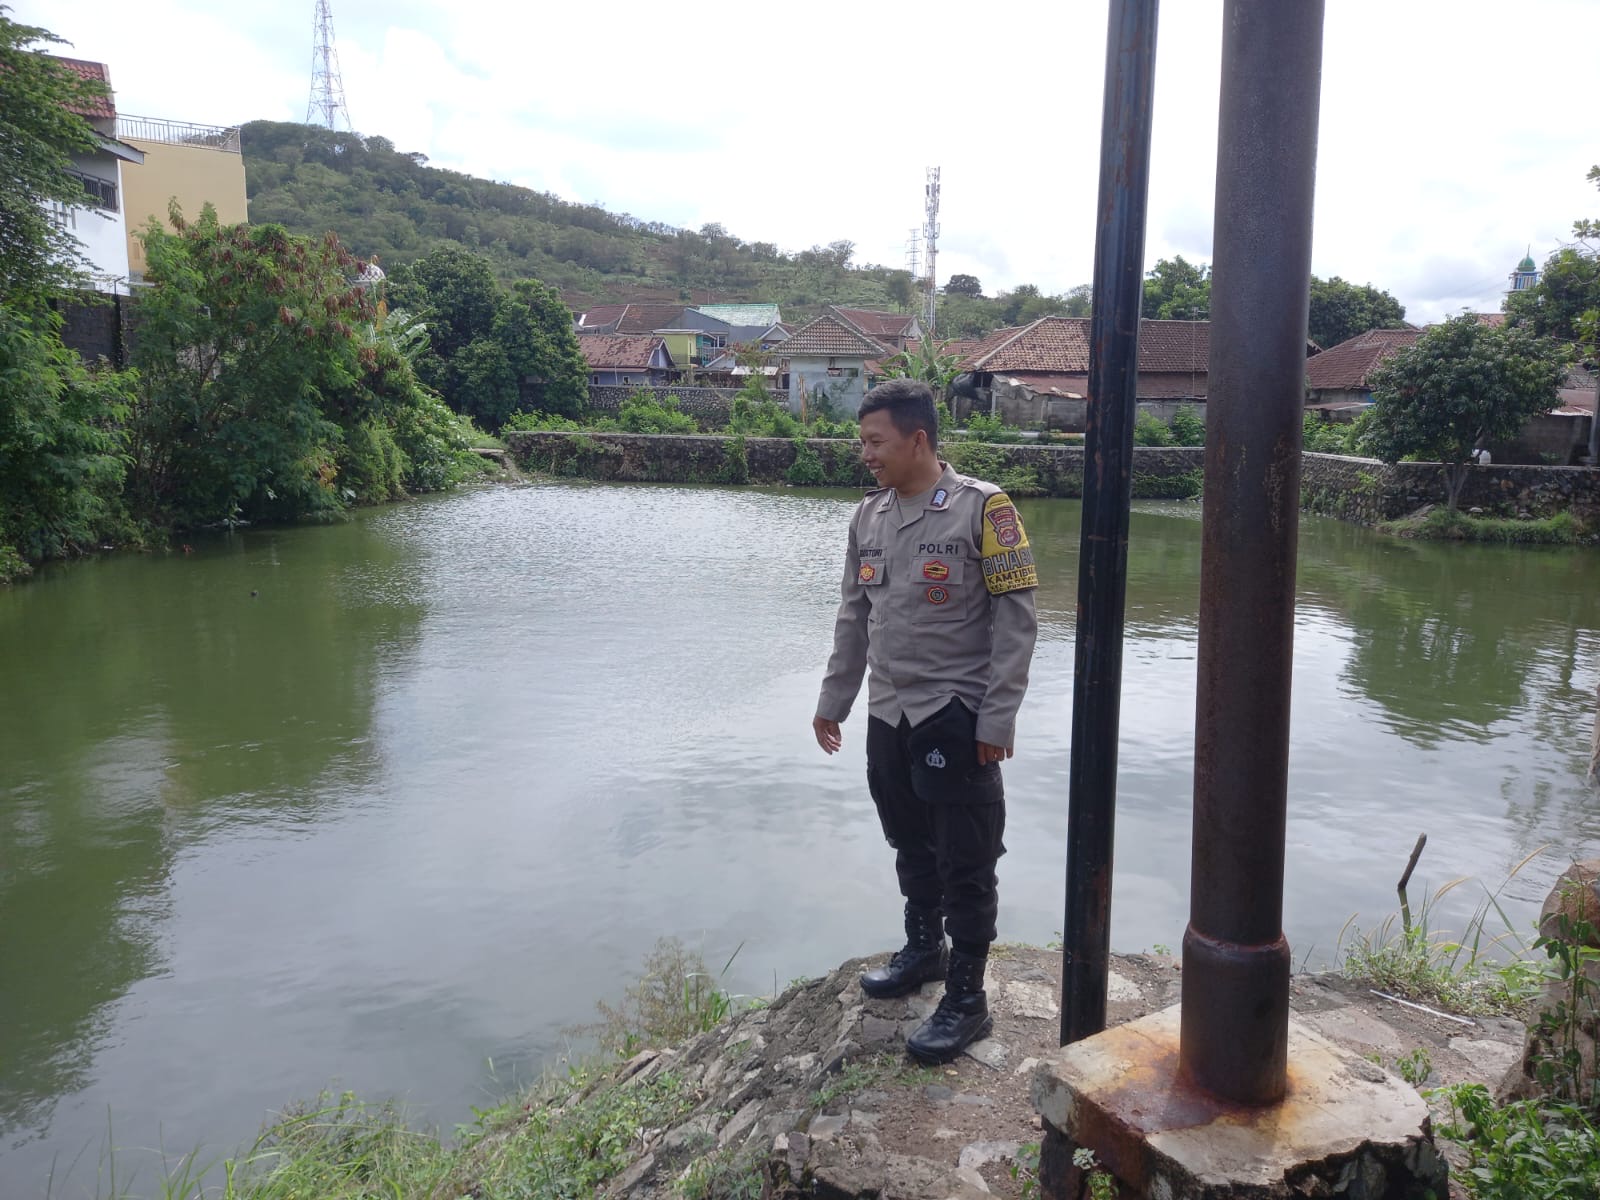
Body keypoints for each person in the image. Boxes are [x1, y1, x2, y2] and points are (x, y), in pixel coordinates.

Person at [812, 379, 1038, 1063]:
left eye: (875, 442)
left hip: (956, 712)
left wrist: (997, 717)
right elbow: (854, 616)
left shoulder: (984, 509)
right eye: (862, 442)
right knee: (909, 842)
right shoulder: (868, 517)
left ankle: (967, 998)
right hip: (889, 712)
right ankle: (923, 950)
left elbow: (1017, 622)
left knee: (966, 860)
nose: (866, 454)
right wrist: (833, 700)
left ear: (918, 439)